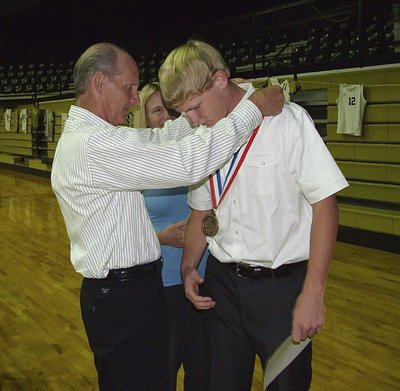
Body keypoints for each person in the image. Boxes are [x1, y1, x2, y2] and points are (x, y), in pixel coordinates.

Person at [50, 42, 284, 391]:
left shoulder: (100, 138)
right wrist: (250, 110)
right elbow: (186, 162)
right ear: (99, 83)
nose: (134, 99)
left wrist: (211, 100)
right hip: (122, 298)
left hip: (132, 292)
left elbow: (159, 139)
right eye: (129, 87)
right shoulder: (93, 145)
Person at [158, 39, 349, 391]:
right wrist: (188, 266)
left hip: (282, 290)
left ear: (219, 79)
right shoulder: (204, 137)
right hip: (223, 289)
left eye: (196, 107)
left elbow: (326, 204)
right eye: (185, 113)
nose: (193, 120)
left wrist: (313, 292)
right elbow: (202, 210)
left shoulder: (287, 122)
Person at [133, 82, 210, 391]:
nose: (165, 117)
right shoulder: (137, 166)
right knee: (163, 371)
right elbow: (125, 231)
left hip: (202, 279)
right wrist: (160, 237)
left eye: (168, 108)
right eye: (156, 110)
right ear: (144, 119)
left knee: (202, 372)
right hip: (163, 285)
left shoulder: (193, 156)